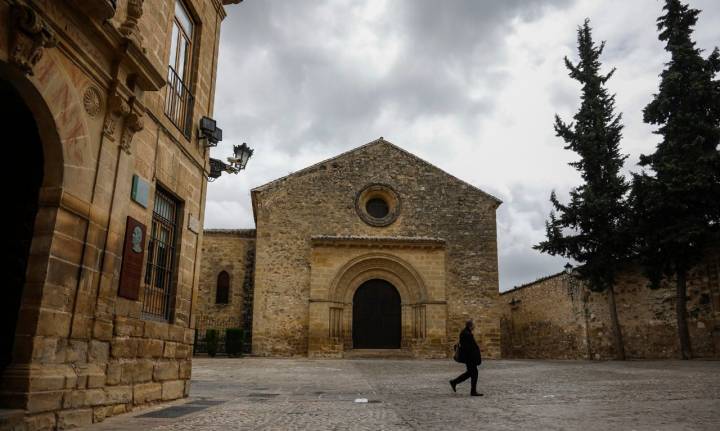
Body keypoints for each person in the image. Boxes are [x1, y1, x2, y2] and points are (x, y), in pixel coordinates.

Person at [449, 319, 483, 396]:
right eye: (473, 325)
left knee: (470, 373)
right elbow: (469, 348)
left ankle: (454, 382)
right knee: (474, 373)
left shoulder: (465, 332)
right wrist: (475, 357)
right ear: (470, 326)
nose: (474, 326)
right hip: (470, 358)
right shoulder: (467, 334)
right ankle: (473, 391)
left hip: (469, 358)